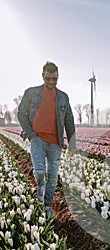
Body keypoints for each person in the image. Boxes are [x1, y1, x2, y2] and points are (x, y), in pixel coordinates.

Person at [18, 61, 76, 217]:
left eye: (54, 79)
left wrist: (72, 144)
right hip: (37, 139)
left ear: (58, 77)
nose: (51, 82)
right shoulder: (31, 93)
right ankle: (40, 195)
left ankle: (48, 206)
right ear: (42, 76)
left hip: (56, 143)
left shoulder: (63, 97)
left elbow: (69, 120)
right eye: (48, 78)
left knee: (53, 177)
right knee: (39, 172)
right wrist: (30, 134)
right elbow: (21, 114)